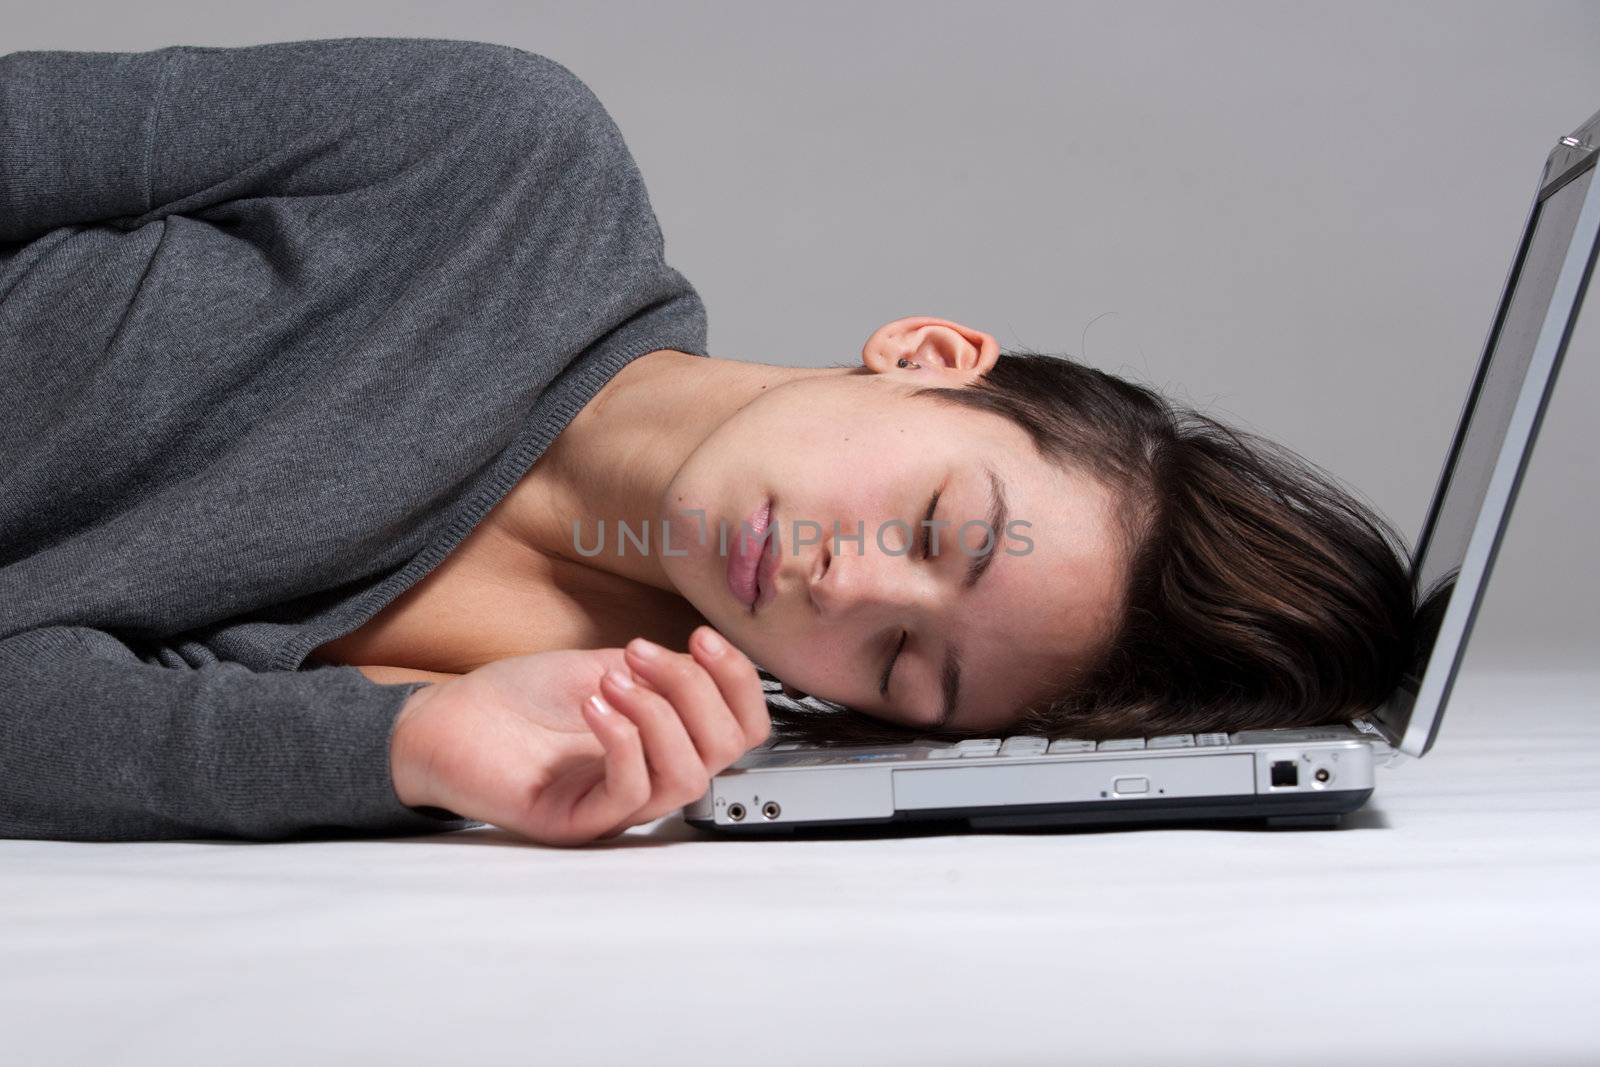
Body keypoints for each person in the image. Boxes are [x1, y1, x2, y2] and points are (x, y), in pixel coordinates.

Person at [0, 37, 1416, 848]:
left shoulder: (538, 713)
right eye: (937, 529)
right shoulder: (500, 163)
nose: (849, 590)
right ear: (930, 359)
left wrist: (410, 748)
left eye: (902, 669)